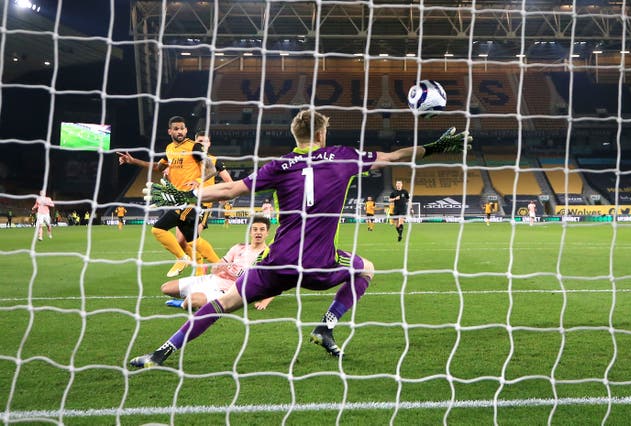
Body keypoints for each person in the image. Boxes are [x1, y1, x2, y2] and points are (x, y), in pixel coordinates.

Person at [130, 111, 471, 368]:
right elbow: (396, 157)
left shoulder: (279, 164)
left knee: (225, 304)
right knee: (365, 269)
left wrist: (190, 195)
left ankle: (161, 352)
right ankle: (326, 325)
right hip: (320, 265)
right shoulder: (342, 155)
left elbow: (231, 189)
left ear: (295, 134)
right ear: (322, 133)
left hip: (277, 263)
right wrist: (436, 146)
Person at [118, 116, 218, 278]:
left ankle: (182, 258)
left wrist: (198, 180)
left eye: (182, 128)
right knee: (193, 241)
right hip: (178, 200)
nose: (179, 131)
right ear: (170, 131)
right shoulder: (170, 148)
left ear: (186, 130)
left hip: (190, 199)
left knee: (158, 229)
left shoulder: (194, 147)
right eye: (176, 129)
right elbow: (158, 167)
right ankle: (222, 266)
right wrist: (133, 161)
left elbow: (211, 169)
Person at [163, 216, 273, 310]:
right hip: (214, 279)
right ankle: (194, 298)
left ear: (267, 232)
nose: (258, 232)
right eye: (255, 229)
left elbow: (275, 281)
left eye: (262, 229)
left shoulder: (267, 255)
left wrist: (264, 302)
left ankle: (184, 303)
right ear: (250, 232)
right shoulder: (239, 247)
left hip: (230, 291)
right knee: (166, 288)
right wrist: (218, 267)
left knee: (193, 300)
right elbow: (217, 267)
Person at [174, 130, 233, 276]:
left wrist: (222, 197)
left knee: (192, 240)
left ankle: (204, 271)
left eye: (205, 141)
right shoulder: (187, 160)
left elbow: (229, 182)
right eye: (199, 141)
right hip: (186, 202)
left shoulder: (214, 161)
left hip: (203, 205)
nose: (202, 144)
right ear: (195, 143)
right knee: (179, 241)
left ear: (209, 144)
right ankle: (200, 267)